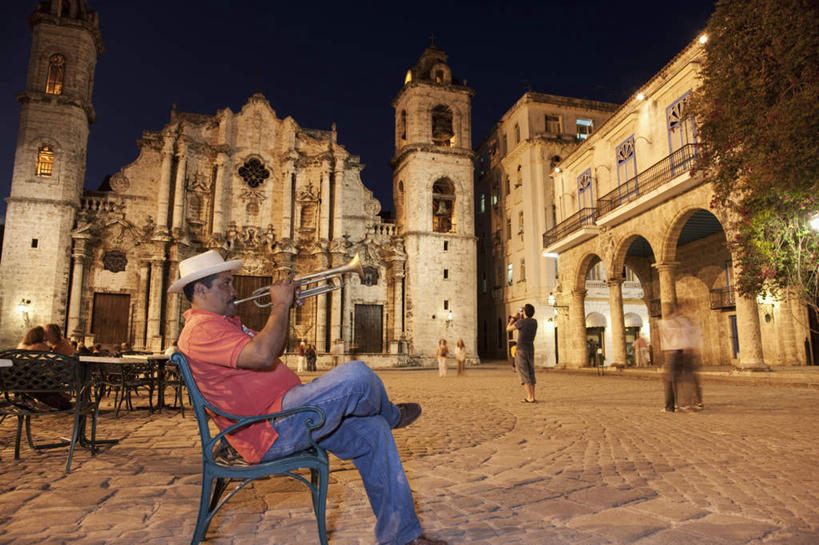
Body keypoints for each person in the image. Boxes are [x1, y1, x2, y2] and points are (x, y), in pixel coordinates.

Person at [169, 250, 445, 545]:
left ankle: (401, 537)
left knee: (374, 432)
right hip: (271, 427)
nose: (234, 291)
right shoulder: (201, 330)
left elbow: (269, 348)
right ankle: (391, 415)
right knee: (357, 375)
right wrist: (280, 305)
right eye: (226, 283)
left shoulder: (222, 324)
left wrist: (284, 310)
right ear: (200, 289)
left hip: (289, 414)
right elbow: (263, 355)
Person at [659, 305, 703, 412]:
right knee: (688, 378)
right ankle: (691, 404)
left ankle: (671, 406)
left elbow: (666, 337)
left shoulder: (669, 322)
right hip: (687, 351)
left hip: (673, 352)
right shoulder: (687, 322)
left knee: (670, 380)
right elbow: (695, 334)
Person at [17, 325, 73, 410]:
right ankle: (60, 398)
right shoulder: (42, 346)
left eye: (47, 333)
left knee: (41, 379)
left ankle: (59, 397)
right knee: (44, 379)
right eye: (44, 333)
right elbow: (49, 365)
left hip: (19, 379)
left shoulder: (21, 345)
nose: (45, 336)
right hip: (35, 379)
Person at [507, 304, 538, 403]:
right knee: (530, 372)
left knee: (524, 373)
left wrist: (513, 318)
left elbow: (508, 329)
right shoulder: (534, 322)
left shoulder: (521, 322)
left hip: (521, 349)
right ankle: (532, 395)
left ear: (524, 312)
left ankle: (530, 397)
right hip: (530, 348)